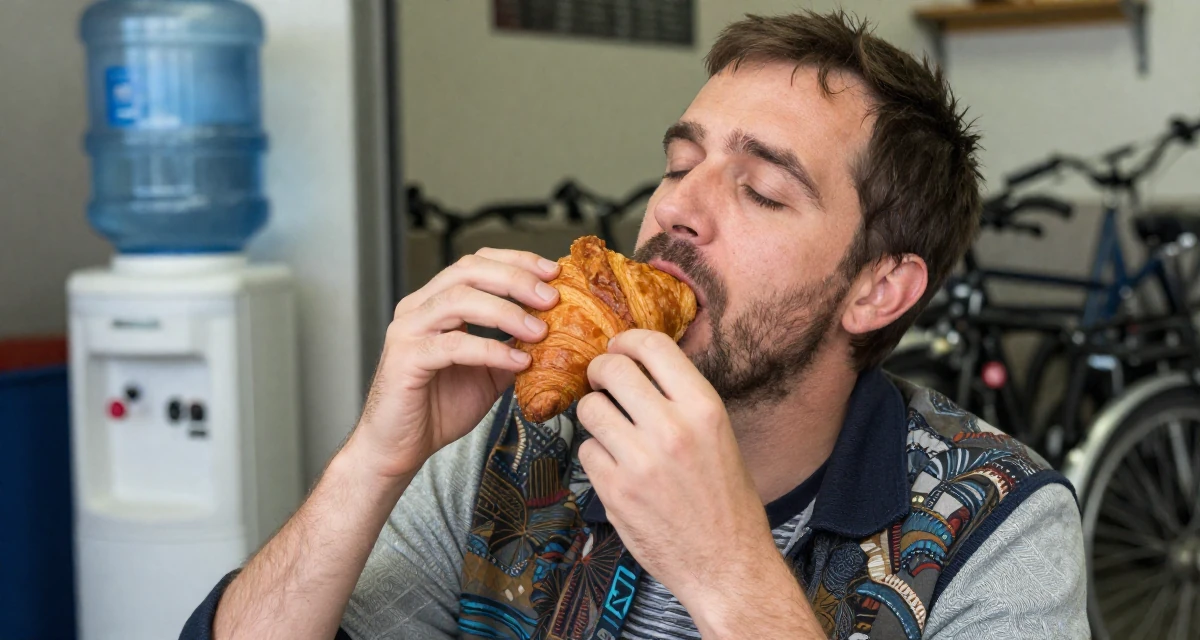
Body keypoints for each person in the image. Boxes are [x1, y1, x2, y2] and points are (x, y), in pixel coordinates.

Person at [183, 10, 1086, 640]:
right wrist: (372, 463)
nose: (678, 211)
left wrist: (727, 569)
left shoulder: (992, 527)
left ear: (879, 289)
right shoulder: (515, 446)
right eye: (678, 163)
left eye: (763, 190)